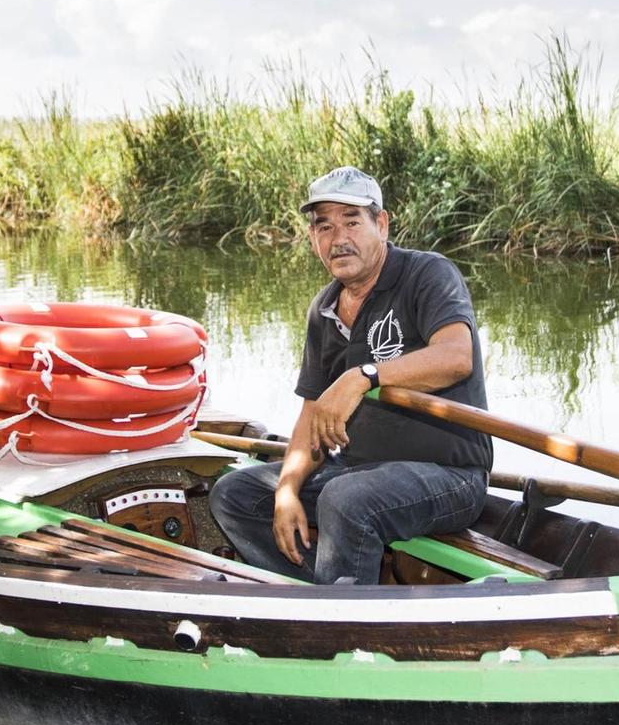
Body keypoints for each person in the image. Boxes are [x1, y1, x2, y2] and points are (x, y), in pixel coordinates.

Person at [209, 166, 491, 584]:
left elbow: (454, 357)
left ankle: (343, 613)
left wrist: (364, 376)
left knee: (344, 500)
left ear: (382, 224)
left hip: (450, 476)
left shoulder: (426, 274)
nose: (338, 238)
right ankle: (317, 592)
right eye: (324, 226)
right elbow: (312, 416)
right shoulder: (323, 309)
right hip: (359, 470)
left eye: (352, 221)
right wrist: (286, 489)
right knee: (236, 495)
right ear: (312, 239)